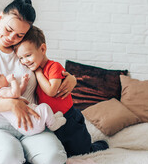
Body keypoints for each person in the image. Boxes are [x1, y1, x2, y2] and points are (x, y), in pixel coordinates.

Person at [0, 0, 77, 164]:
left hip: (32, 125)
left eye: (20, 35)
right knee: (9, 162)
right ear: (0, 18)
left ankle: (24, 152)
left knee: (55, 162)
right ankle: (9, 154)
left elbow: (47, 66)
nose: (11, 38)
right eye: (9, 30)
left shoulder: (23, 49)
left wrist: (71, 78)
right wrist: (11, 103)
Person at [14, 26, 109, 157]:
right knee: (64, 149)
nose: (25, 61)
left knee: (83, 149)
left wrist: (38, 72)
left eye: (28, 55)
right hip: (52, 121)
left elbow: (51, 91)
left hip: (68, 117)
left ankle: (99, 145)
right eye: (21, 58)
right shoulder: (31, 71)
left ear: (42, 49)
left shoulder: (53, 67)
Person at [0, 67, 66, 136]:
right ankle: (52, 124)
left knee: (42, 109)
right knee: (44, 107)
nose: (3, 74)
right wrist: (13, 80)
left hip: (28, 126)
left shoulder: (1, 94)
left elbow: (18, 92)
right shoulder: (0, 94)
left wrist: (23, 83)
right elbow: (15, 94)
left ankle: (51, 118)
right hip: (30, 123)